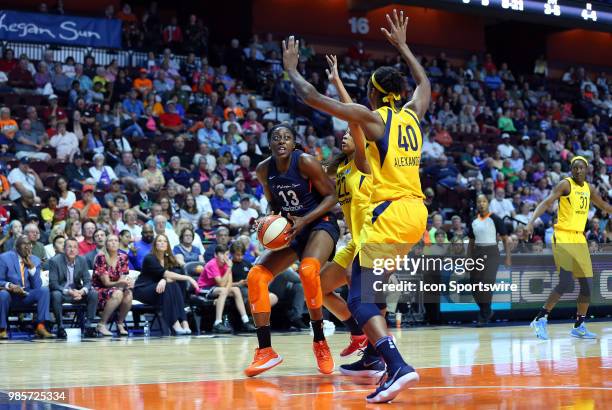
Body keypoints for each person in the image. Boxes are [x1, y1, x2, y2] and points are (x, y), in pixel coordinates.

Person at [281, 10, 429, 401]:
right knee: (368, 297)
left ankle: (397, 366)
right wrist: (403, 46)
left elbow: (311, 97)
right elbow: (425, 83)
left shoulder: (373, 119)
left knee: (361, 300)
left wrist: (292, 70)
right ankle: (385, 364)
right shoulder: (413, 116)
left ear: (375, 93)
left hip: (390, 215)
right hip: (415, 215)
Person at [243, 120, 340, 378]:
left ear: (294, 142)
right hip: (293, 229)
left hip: (320, 223)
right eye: (277, 137)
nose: (282, 141)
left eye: (287, 137)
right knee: (256, 276)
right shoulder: (264, 170)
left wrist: (304, 220)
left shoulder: (306, 162)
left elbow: (332, 197)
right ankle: (265, 351)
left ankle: (320, 341)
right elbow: (273, 205)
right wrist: (267, 221)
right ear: (270, 143)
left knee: (309, 271)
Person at [318, 55, 374, 368]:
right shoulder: (338, 168)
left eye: (350, 134)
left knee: (357, 285)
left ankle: (375, 349)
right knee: (318, 287)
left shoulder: (363, 163)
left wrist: (337, 81)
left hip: (372, 236)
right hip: (352, 239)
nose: (345, 135)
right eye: (344, 135)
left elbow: (353, 117)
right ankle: (358, 333)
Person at [526, 156, 612, 340]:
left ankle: (579, 325)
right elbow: (546, 202)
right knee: (565, 282)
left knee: (587, 286)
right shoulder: (565, 185)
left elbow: (604, 206)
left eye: (581, 168)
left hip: (579, 238)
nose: (578, 170)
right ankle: (541, 318)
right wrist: (531, 222)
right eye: (574, 168)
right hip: (563, 236)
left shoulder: (589, 188)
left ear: (587, 170)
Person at [134, 234, 198, 336]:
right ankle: (175, 324)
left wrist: (164, 280)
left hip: (159, 289)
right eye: (159, 241)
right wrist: (188, 277)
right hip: (143, 289)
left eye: (165, 241)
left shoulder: (169, 259)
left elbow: (170, 277)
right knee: (169, 286)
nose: (162, 243)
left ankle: (184, 323)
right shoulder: (150, 258)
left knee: (174, 285)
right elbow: (166, 274)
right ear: (155, 244)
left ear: (168, 244)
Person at [467, 194, 512, 326]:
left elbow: (505, 239)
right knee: (474, 285)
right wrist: (468, 259)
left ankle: (484, 315)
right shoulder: (473, 220)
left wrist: (508, 258)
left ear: (488, 203)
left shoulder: (495, 219)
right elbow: (471, 242)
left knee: (486, 284)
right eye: (479, 202)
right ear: (476, 204)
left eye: (484, 201)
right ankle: (486, 311)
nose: (481, 204)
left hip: (492, 253)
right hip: (477, 253)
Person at [0, 235, 54, 339]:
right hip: (10, 296)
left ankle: (41, 327)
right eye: (24, 244)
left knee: (43, 291)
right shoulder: (4, 258)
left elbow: (37, 286)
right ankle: (2, 329)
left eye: (29, 244)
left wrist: (32, 268)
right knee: (3, 294)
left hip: (27, 295)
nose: (27, 247)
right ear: (16, 247)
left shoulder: (35, 260)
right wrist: (10, 285)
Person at [198, 244, 256, 333]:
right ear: (215, 255)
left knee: (236, 289)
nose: (225, 256)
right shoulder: (212, 264)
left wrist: (225, 294)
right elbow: (221, 284)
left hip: (216, 288)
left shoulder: (226, 264)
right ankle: (217, 323)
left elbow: (229, 283)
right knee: (223, 290)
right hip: (204, 288)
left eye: (226, 254)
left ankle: (245, 321)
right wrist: (229, 268)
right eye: (222, 254)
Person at [48, 238, 98, 338]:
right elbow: (53, 284)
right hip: (63, 293)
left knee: (93, 293)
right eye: (69, 247)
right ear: (64, 249)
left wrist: (82, 291)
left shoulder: (82, 260)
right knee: (55, 294)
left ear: (78, 250)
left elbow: (88, 281)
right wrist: (69, 292)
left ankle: (88, 327)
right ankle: (60, 327)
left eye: (75, 247)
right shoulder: (55, 261)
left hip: (77, 294)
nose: (72, 250)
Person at [92, 235, 133, 337]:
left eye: (116, 240)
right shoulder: (101, 258)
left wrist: (126, 284)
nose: (114, 243)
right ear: (106, 244)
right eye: (110, 241)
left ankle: (120, 323)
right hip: (99, 290)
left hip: (116, 288)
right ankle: (101, 324)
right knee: (118, 293)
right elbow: (106, 283)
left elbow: (123, 278)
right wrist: (120, 285)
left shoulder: (123, 257)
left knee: (128, 294)